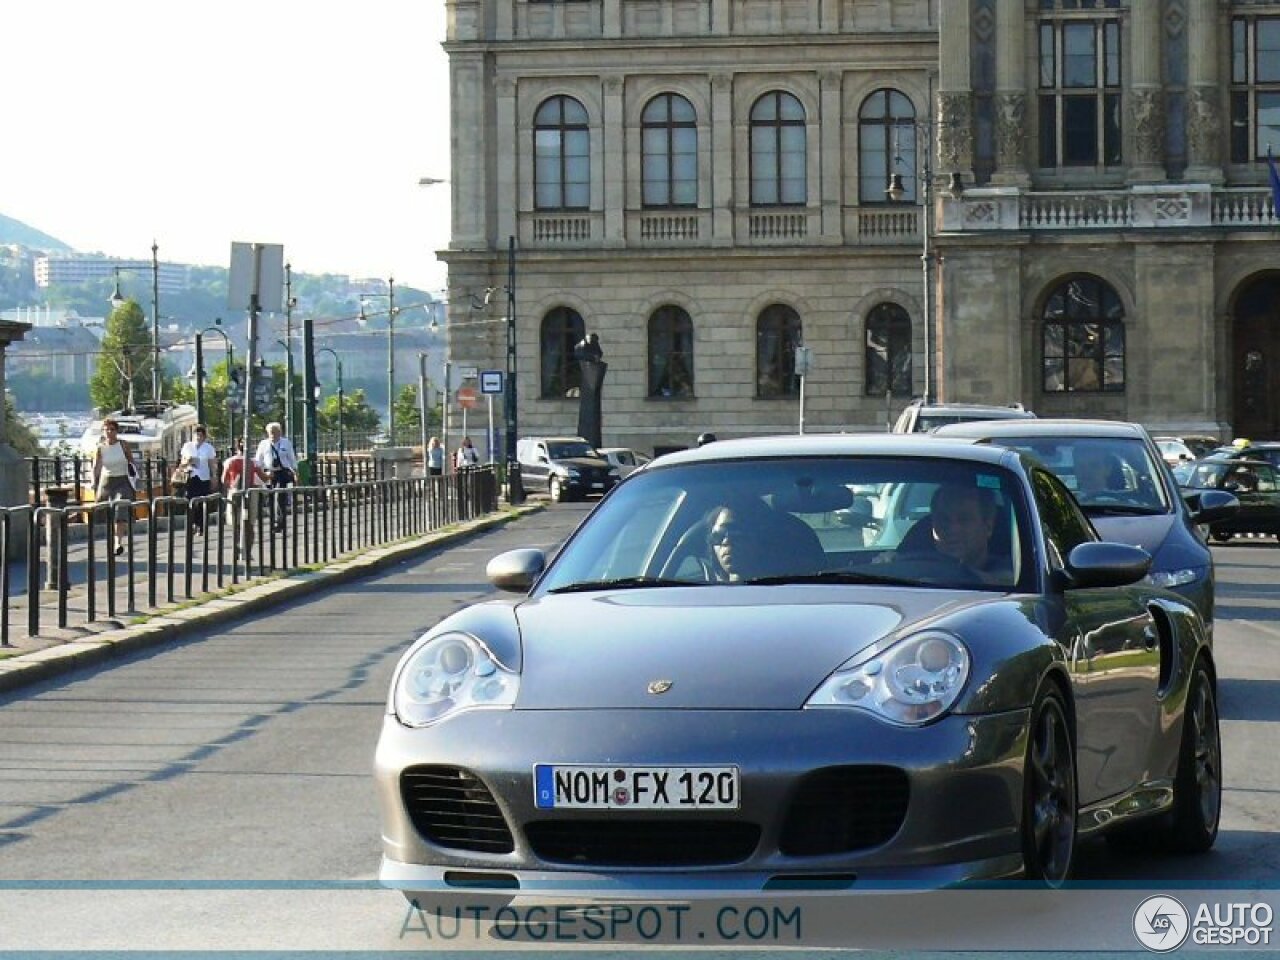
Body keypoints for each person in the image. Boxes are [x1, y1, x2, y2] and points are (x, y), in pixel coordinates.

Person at [894, 484, 1002, 580]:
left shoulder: (1012, 572)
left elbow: (1005, 579)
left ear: (988, 527)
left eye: (964, 519)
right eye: (944, 519)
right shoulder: (908, 572)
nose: (952, 529)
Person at [91, 417, 138, 556]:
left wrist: (135, 478)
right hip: (106, 483)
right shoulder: (100, 448)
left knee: (120, 511)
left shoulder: (123, 445)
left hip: (123, 481)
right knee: (105, 512)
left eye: (112, 429)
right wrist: (94, 481)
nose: (109, 432)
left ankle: (118, 542)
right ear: (103, 431)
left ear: (116, 431)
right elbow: (96, 466)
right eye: (107, 430)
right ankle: (113, 538)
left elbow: (131, 462)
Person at [222, 441, 270, 559]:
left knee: (235, 523)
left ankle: (236, 548)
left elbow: (224, 479)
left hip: (234, 492)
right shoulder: (254, 462)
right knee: (249, 524)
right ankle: (247, 551)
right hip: (251, 492)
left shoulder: (230, 461)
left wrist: (231, 487)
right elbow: (263, 478)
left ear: (237, 448)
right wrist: (270, 474)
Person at [254, 422, 298, 533]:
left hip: (282, 472)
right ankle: (273, 522)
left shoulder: (286, 443)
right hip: (269, 473)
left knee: (280, 497)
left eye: (275, 432)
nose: (273, 435)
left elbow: (292, 458)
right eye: (270, 432)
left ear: (280, 432)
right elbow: (258, 460)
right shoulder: (263, 444)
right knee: (270, 498)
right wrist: (262, 473)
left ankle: (280, 522)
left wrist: (295, 472)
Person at [178, 424, 219, 536]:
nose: (198, 437)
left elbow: (212, 463)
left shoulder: (208, 448)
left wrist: (214, 476)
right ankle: (192, 524)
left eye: (201, 435)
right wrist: (188, 462)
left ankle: (201, 526)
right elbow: (182, 463)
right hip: (190, 476)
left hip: (203, 477)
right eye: (197, 435)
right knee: (190, 501)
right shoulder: (187, 446)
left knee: (201, 502)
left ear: (204, 436)